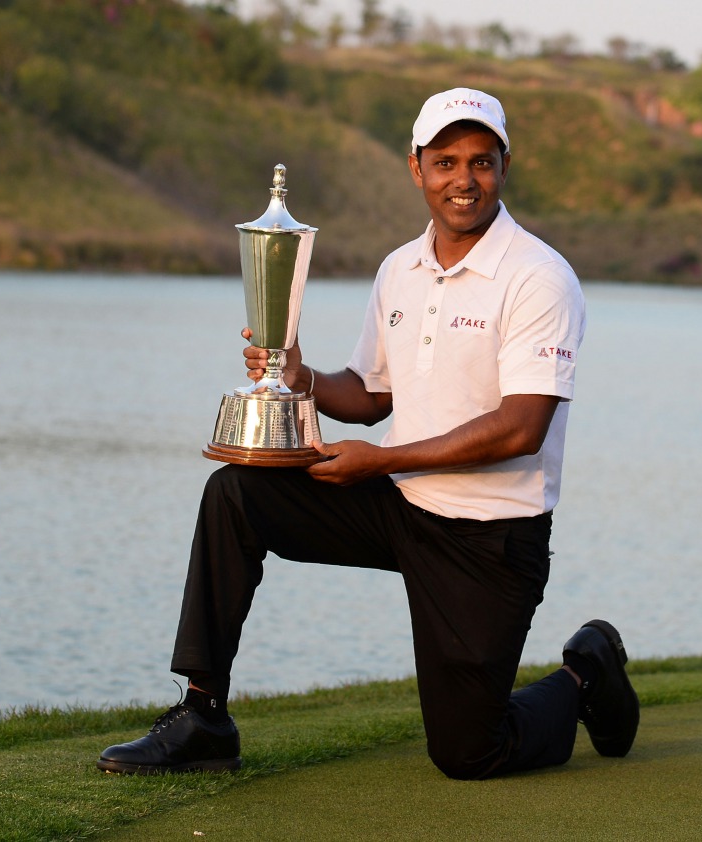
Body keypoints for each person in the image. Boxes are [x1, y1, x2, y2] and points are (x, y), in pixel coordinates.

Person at [97, 88, 639, 780]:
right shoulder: (399, 270)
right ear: (416, 169)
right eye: (445, 162)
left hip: (491, 536)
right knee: (237, 493)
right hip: (398, 504)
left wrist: (380, 463)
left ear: (505, 166)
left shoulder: (539, 277)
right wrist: (303, 377)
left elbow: (522, 428)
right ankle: (203, 716)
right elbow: (373, 393)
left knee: (471, 752)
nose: (463, 180)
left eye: (481, 161)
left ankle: (583, 676)